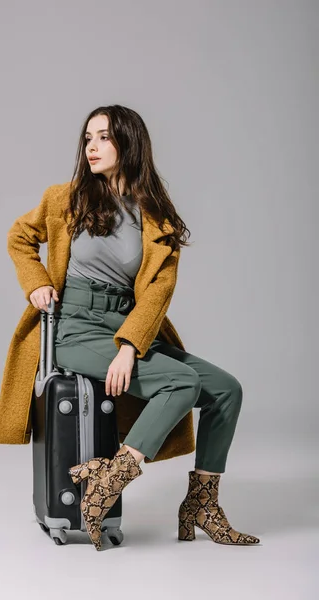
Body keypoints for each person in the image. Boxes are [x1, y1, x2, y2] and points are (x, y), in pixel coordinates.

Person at [24, 104, 260, 551]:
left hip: (127, 329)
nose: (91, 147)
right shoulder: (66, 198)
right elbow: (20, 237)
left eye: (104, 137)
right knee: (180, 381)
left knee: (226, 389)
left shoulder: (155, 214)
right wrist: (36, 283)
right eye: (87, 138)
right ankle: (111, 480)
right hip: (75, 330)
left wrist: (130, 345)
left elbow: (157, 292)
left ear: (129, 142)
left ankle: (201, 504)